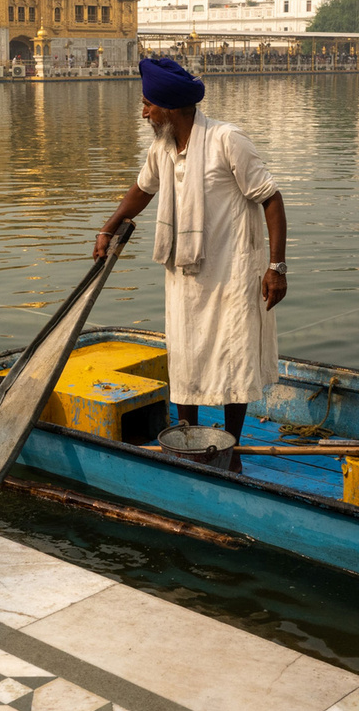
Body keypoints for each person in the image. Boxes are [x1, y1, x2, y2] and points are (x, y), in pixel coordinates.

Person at [94, 57, 287, 445]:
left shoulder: (226, 140)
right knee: (184, 354)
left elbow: (271, 198)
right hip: (185, 271)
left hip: (231, 272)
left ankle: (231, 445)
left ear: (169, 108)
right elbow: (143, 189)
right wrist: (109, 227)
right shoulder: (163, 147)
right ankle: (186, 438)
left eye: (148, 104)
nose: (144, 111)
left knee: (234, 355)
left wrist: (276, 268)